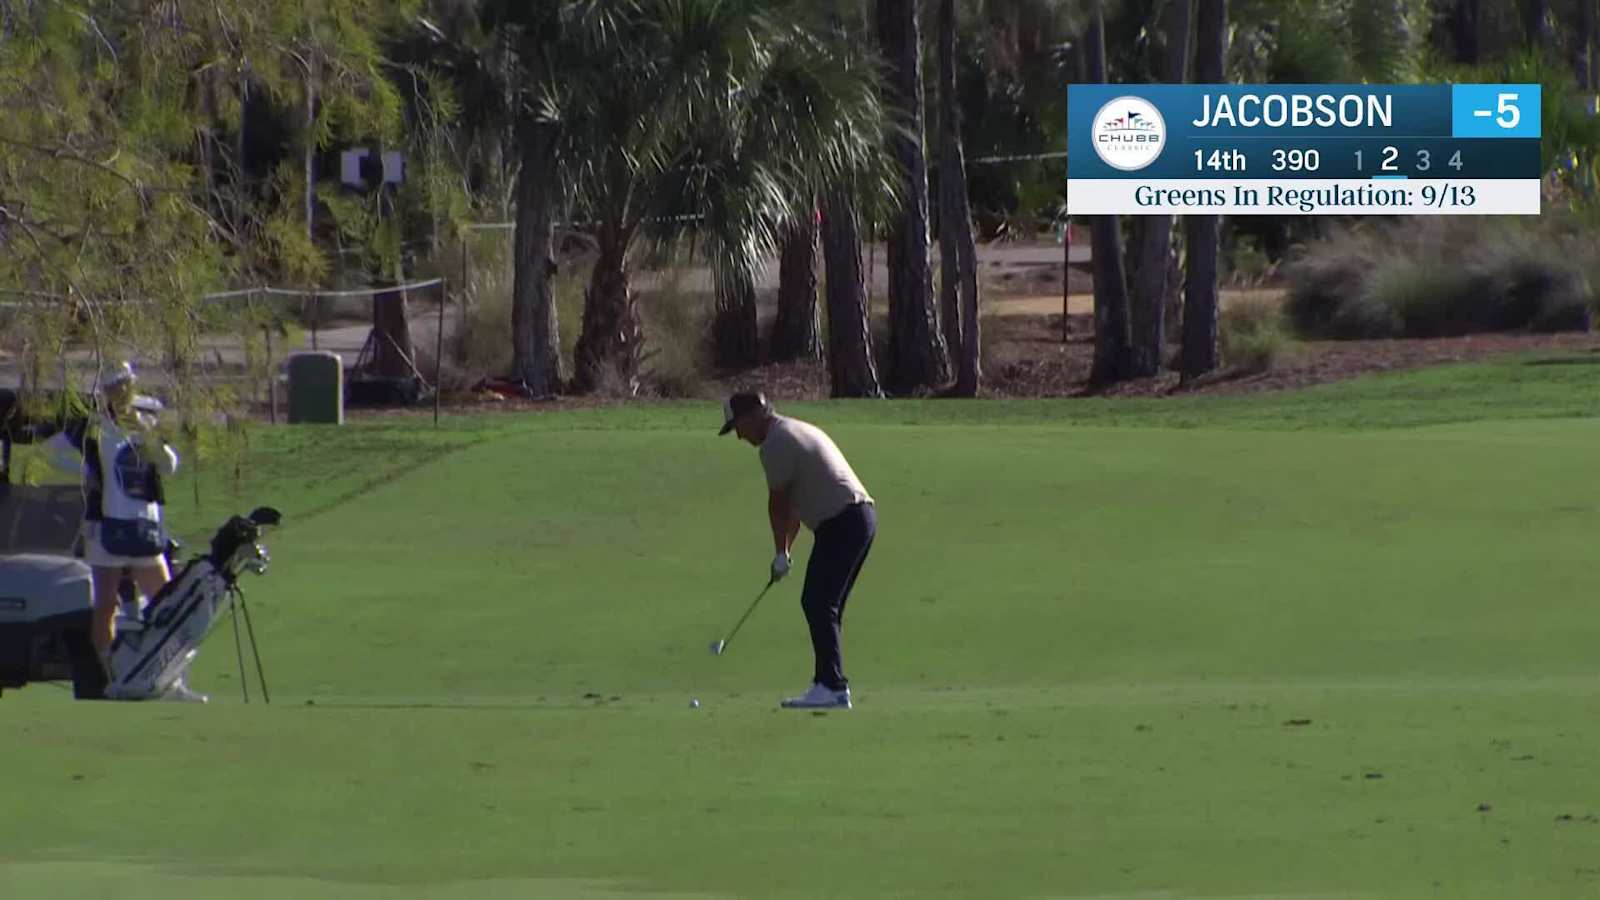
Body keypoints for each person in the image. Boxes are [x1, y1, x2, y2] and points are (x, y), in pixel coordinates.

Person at [45, 362, 201, 701]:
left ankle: (172, 682)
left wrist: (149, 437)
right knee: (106, 607)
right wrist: (86, 471)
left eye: (127, 386)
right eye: (117, 387)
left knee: (169, 606)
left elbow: (169, 466)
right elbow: (52, 452)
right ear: (106, 392)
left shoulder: (143, 422)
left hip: (144, 527)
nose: (123, 393)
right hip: (106, 530)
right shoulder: (93, 427)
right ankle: (112, 678)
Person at [721, 391, 876, 709]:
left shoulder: (775, 444)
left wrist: (779, 552)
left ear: (755, 415)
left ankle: (831, 686)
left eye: (738, 426)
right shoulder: (793, 428)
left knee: (818, 602)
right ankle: (828, 683)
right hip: (858, 518)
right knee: (826, 605)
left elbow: (778, 506)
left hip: (843, 522)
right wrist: (785, 553)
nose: (738, 435)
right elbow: (792, 508)